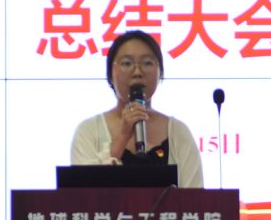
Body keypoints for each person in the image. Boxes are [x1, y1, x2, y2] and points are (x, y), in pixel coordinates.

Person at [70, 30, 204, 188]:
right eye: (127, 63)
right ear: (110, 74)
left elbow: (194, 197)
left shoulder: (178, 132)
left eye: (147, 63)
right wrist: (122, 137)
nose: (138, 72)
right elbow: (83, 194)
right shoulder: (88, 131)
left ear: (160, 72)